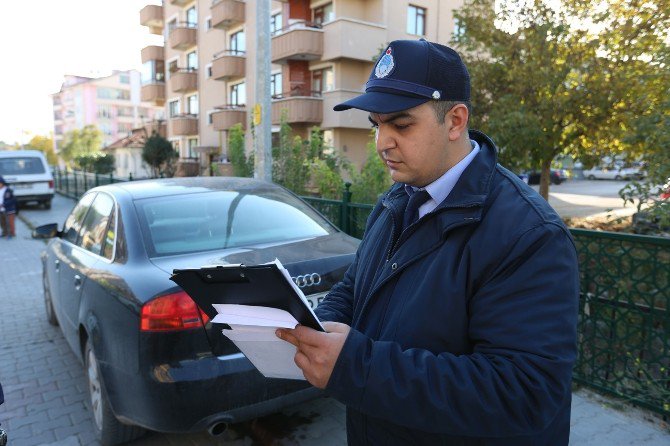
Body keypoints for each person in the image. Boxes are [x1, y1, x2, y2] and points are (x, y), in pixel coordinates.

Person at [276, 39, 579, 445]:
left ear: (455, 121)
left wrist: (358, 368)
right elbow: (357, 288)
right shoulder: (395, 200)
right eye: (376, 125)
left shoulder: (528, 233)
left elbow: (524, 393)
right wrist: (312, 329)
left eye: (401, 125)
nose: (383, 142)